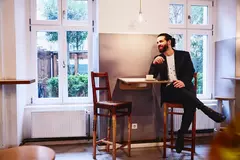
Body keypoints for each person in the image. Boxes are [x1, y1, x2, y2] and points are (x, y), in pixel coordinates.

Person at [149, 33, 226, 153]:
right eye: (157, 42)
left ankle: (181, 135)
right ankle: (207, 110)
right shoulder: (159, 58)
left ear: (169, 42)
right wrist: (154, 64)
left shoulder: (183, 55)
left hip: (183, 90)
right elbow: (151, 77)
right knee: (181, 91)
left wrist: (183, 82)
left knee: (190, 106)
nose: (158, 44)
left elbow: (191, 71)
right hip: (169, 92)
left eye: (161, 41)